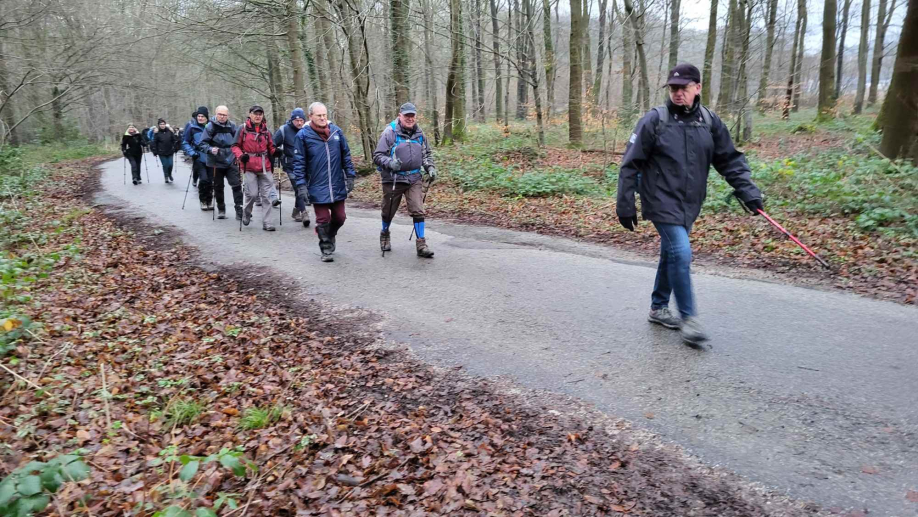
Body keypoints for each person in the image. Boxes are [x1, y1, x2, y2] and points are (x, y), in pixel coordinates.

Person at [616, 63, 764, 345]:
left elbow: (729, 159)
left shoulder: (709, 121)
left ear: (697, 88)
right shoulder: (654, 120)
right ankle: (689, 318)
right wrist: (625, 204)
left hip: (690, 202)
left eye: (683, 88)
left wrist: (748, 191)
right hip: (660, 199)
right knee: (681, 253)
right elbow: (629, 164)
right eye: (673, 88)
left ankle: (658, 307)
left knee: (671, 253)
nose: (677, 93)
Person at [291, 102, 356, 262]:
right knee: (322, 219)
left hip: (337, 183)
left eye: (324, 115)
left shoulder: (336, 132)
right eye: (319, 115)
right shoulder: (303, 135)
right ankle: (326, 248)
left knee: (340, 217)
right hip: (316, 185)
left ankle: (330, 234)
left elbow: (346, 155)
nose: (322, 118)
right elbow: (298, 163)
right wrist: (301, 186)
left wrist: (350, 175)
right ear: (311, 116)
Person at [372, 102, 438, 258]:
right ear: (399, 116)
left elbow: (426, 155)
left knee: (418, 209)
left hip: (414, 178)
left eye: (412, 115)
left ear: (415, 116)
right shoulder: (389, 133)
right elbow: (378, 156)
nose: (410, 119)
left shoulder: (420, 134)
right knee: (388, 211)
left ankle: (421, 244)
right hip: (393, 178)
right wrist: (390, 163)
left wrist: (430, 168)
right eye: (406, 116)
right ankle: (385, 234)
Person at [233, 105, 280, 231]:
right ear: (250, 114)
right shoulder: (242, 129)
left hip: (265, 166)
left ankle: (267, 222)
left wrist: (276, 152)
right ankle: (246, 213)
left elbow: (271, 147)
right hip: (249, 166)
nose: (258, 116)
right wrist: (241, 155)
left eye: (260, 114)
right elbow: (235, 146)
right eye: (255, 113)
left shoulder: (266, 131)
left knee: (267, 195)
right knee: (252, 194)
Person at [197, 105, 243, 221]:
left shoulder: (232, 126)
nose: (222, 117)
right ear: (216, 114)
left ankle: (239, 210)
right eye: (220, 114)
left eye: (224, 115)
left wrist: (239, 154)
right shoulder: (210, 127)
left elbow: (238, 141)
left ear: (228, 115)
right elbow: (202, 144)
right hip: (216, 161)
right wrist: (210, 149)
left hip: (231, 159)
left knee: (236, 185)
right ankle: (221, 209)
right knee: (218, 186)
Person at [273, 107, 311, 227]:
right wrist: (277, 151)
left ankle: (296, 210)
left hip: (305, 165)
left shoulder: (308, 129)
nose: (299, 123)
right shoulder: (284, 130)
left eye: (301, 120)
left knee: (302, 188)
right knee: (298, 187)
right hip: (290, 165)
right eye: (296, 120)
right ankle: (304, 212)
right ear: (292, 120)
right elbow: (272, 144)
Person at [182, 107, 213, 209]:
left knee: (210, 181)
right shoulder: (192, 128)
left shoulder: (212, 127)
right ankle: (203, 200)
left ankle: (210, 200)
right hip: (198, 157)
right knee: (203, 179)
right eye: (199, 116)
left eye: (202, 116)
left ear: (206, 117)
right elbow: (185, 142)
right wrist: (192, 153)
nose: (200, 118)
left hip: (211, 158)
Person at [150, 118, 180, 183]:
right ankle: (166, 176)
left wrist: (176, 147)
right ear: (158, 125)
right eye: (161, 124)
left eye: (163, 124)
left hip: (170, 151)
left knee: (170, 164)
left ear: (165, 124)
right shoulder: (157, 133)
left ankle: (169, 174)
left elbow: (174, 140)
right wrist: (154, 151)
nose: (162, 125)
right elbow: (154, 142)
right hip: (161, 152)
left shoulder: (169, 132)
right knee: (165, 165)